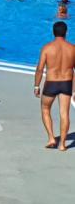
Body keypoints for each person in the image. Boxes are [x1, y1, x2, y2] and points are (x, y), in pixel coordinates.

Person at [34, 21, 75, 150]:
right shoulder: (72, 48)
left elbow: (40, 69)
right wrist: (74, 90)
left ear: (53, 32)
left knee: (45, 109)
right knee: (64, 113)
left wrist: (36, 86)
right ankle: (62, 144)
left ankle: (51, 138)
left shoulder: (47, 48)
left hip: (51, 83)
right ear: (66, 32)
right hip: (66, 82)